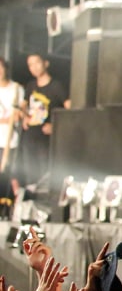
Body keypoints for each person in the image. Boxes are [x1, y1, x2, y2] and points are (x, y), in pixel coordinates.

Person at [19, 53, 69, 195]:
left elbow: (70, 110)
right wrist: (24, 117)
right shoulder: (30, 86)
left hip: (46, 139)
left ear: (45, 63)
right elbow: (23, 106)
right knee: (30, 174)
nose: (34, 67)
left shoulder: (57, 86)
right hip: (30, 137)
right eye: (30, 65)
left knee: (44, 174)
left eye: (36, 63)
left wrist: (56, 126)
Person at [0, 57, 23, 214]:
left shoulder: (16, 89)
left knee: (9, 176)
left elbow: (20, 113)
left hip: (10, 141)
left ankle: (7, 211)